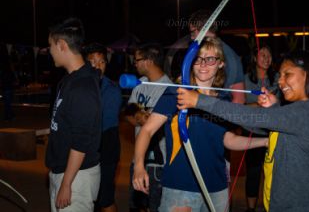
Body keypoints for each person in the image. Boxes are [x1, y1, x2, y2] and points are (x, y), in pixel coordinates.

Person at [177, 49, 309, 212]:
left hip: (304, 205)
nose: (280, 81)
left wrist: (199, 100)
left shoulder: (308, 111)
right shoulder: (302, 112)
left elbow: (250, 117)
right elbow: (262, 125)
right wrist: (273, 108)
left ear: (307, 74)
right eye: (280, 76)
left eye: (287, 74)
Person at [133, 37, 268, 212]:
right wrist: (138, 166)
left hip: (217, 186)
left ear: (220, 64)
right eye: (198, 58)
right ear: (190, 62)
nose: (203, 64)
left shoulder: (222, 99)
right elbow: (147, 130)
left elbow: (227, 139)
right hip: (180, 185)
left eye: (210, 59)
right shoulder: (176, 93)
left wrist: (264, 141)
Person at [45, 17, 102, 212]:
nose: (49, 50)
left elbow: (81, 140)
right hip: (65, 171)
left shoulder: (82, 87)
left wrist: (67, 184)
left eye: (50, 45)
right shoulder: (69, 81)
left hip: (76, 177)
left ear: (61, 45)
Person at [127, 43, 172, 212]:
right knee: (136, 206)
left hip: (158, 163)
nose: (135, 64)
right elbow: (128, 114)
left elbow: (158, 125)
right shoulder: (140, 84)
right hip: (138, 160)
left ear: (148, 61)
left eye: (137, 60)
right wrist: (141, 117)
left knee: (155, 207)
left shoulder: (168, 89)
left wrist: (142, 117)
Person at [85, 43, 122, 212]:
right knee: (85, 197)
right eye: (93, 61)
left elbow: (104, 122)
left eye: (102, 62)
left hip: (106, 145)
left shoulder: (112, 90)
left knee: (105, 198)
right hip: (84, 147)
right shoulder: (79, 86)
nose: (98, 66)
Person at [243, 45, 279, 212]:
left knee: (274, 172)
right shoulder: (245, 79)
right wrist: (258, 103)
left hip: (272, 131)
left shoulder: (278, 78)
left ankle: (271, 206)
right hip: (252, 130)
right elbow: (240, 107)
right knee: (254, 172)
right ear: (254, 58)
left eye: (269, 55)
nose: (266, 58)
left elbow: (282, 104)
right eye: (262, 54)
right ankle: (251, 209)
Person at [188, 9, 246, 104]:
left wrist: (219, 117)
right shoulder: (196, 50)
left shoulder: (228, 55)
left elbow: (239, 99)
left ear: (203, 29)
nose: (192, 37)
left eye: (192, 32)